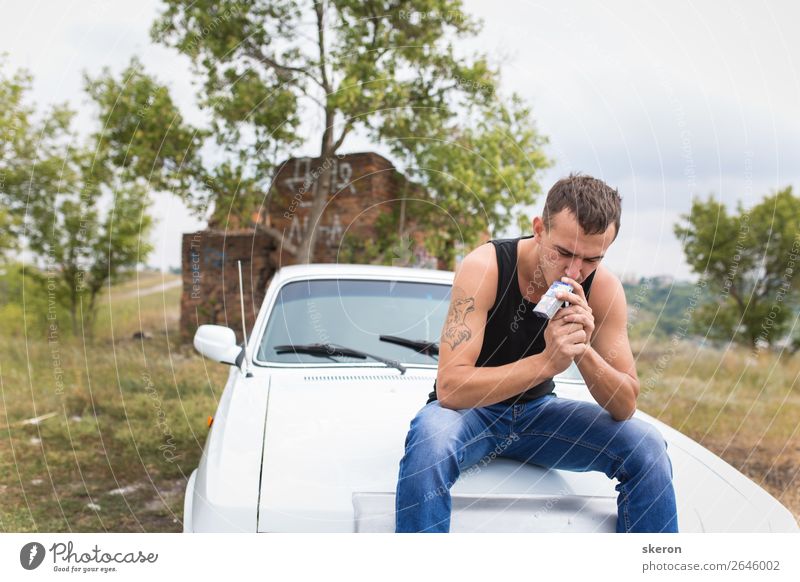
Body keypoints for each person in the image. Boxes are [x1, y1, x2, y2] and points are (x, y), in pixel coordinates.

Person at [395, 174, 678, 533]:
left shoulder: (604, 288)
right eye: (563, 253)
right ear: (539, 228)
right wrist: (547, 362)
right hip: (470, 413)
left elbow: (624, 405)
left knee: (647, 445)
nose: (575, 271)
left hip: (538, 418)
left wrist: (582, 350)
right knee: (430, 439)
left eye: (591, 259)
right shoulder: (485, 267)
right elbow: (451, 389)